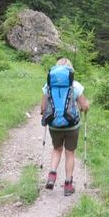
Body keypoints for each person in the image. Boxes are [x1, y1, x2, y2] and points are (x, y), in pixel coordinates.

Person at [40, 57, 89, 196]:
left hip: (54, 125)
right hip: (71, 125)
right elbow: (85, 106)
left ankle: (52, 174)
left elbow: (43, 108)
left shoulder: (48, 85)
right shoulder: (75, 85)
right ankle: (68, 185)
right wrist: (84, 107)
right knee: (70, 153)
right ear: (70, 70)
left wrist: (45, 113)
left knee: (57, 149)